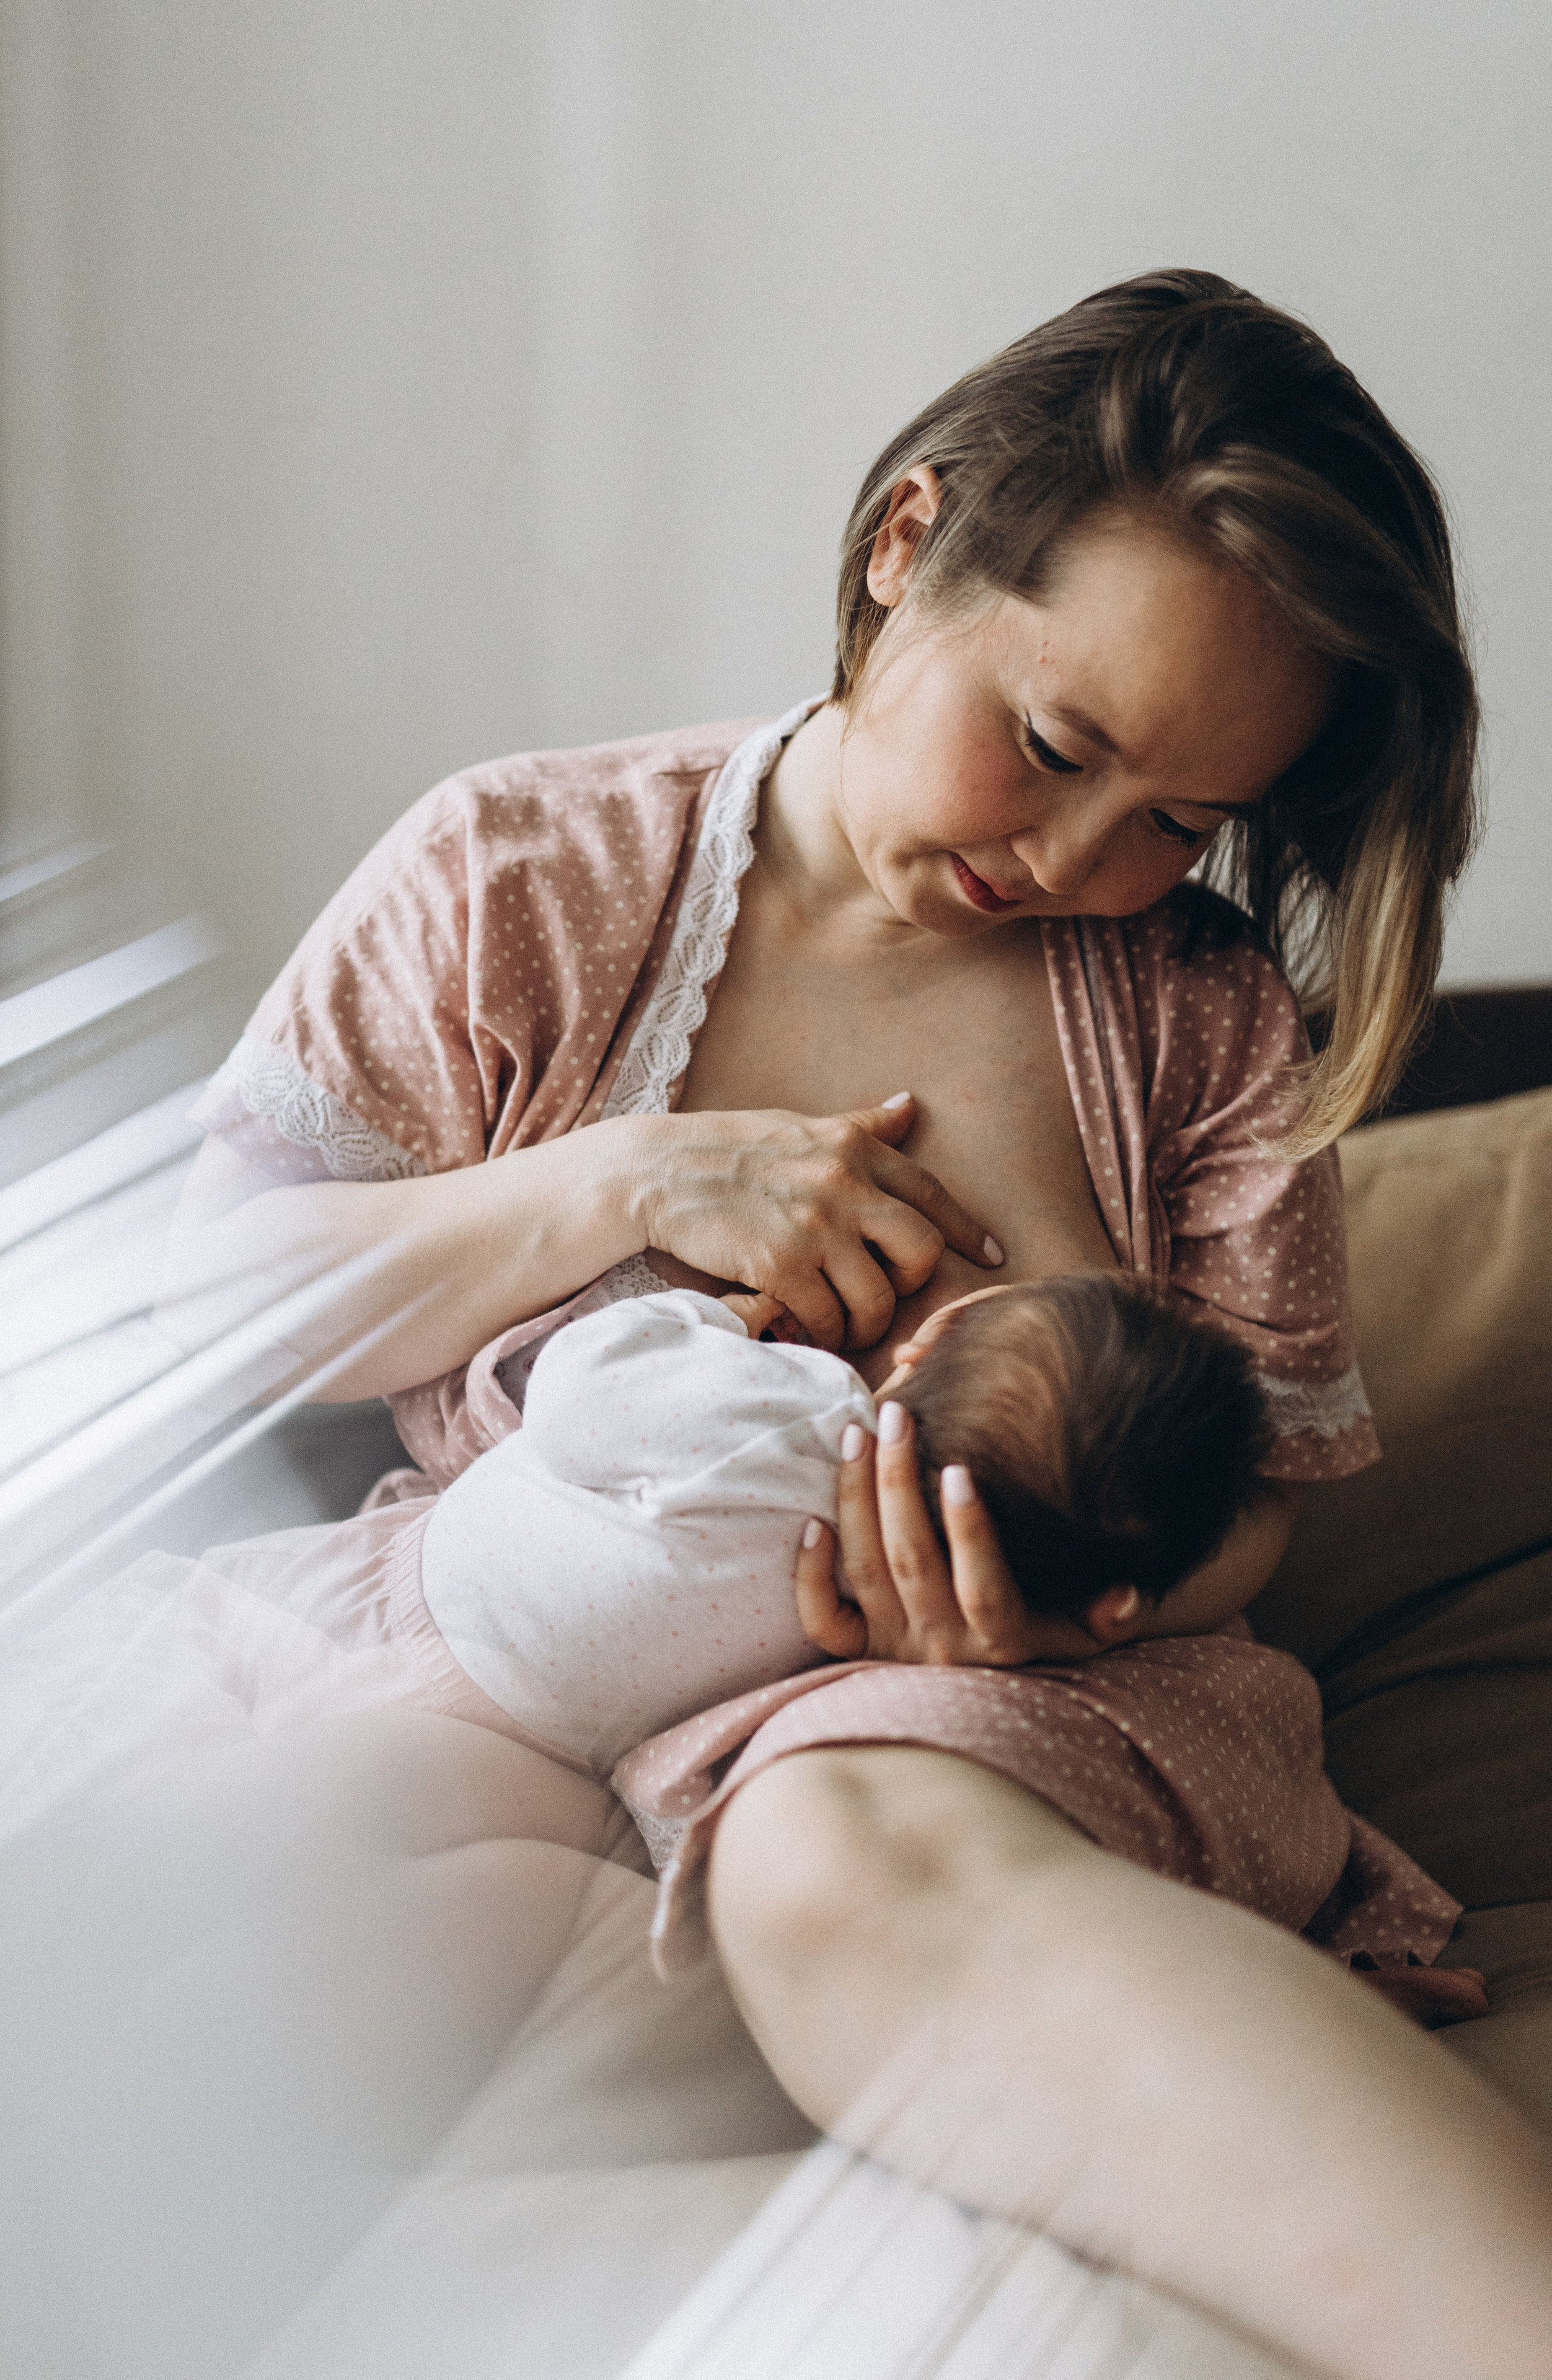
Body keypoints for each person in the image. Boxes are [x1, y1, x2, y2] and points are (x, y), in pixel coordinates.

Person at [163, 270, 1552, 2376]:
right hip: (529, 1679)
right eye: (1058, 745)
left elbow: (1261, 1504)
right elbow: (212, 1313)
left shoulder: (1194, 1013)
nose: (1089, 859)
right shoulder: (521, 876)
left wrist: (1048, 1596)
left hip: (1001, 1708)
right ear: (909, 544)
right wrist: (624, 1183)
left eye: (1182, 818)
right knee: (245, 1882)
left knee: (824, 1837)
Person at [417, 1273, 1274, 1773]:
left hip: (431, 1601)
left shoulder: (800, 1414)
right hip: (566, 1760)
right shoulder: (852, 1648)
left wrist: (717, 1319)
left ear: (924, 1346)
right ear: (1112, 1607)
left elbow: (578, 1387)